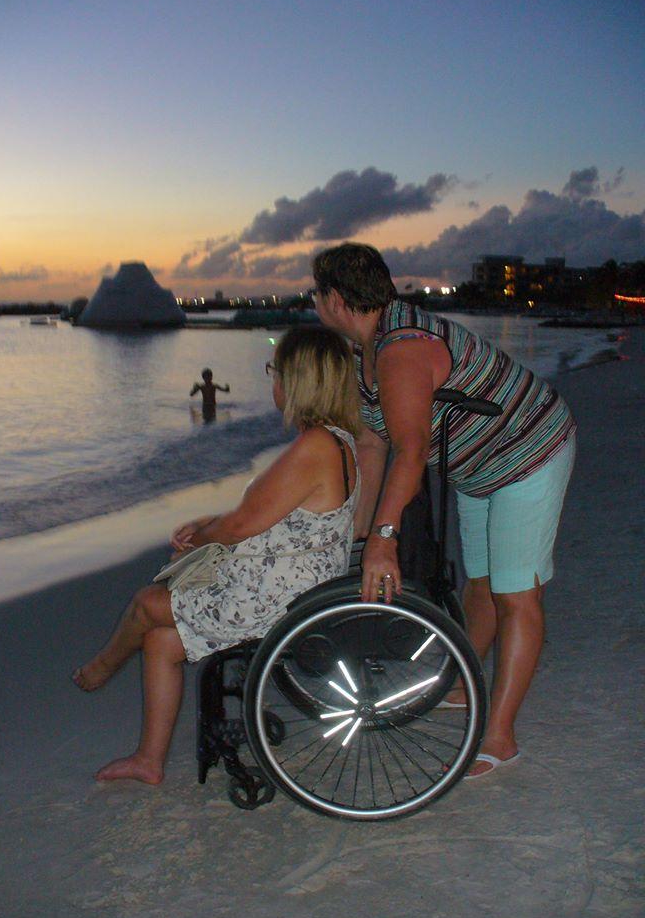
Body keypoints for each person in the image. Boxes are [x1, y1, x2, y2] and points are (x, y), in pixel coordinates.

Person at [312, 242, 576, 779]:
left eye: (316, 294)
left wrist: (385, 539)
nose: (313, 303)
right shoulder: (366, 349)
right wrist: (354, 535)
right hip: (477, 468)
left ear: (337, 299)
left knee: (516, 594)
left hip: (530, 451)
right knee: (480, 583)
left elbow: (410, 449)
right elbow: (373, 445)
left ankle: (500, 736)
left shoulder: (402, 349)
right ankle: (463, 684)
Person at [72, 326, 361, 785]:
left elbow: (243, 524)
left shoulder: (315, 447)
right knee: (162, 641)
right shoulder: (336, 441)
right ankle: (149, 760)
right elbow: (271, 513)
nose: (274, 383)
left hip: (277, 599)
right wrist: (208, 524)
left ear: (297, 381)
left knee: (148, 603)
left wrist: (206, 535)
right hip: (289, 584)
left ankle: (102, 667)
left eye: (276, 372)